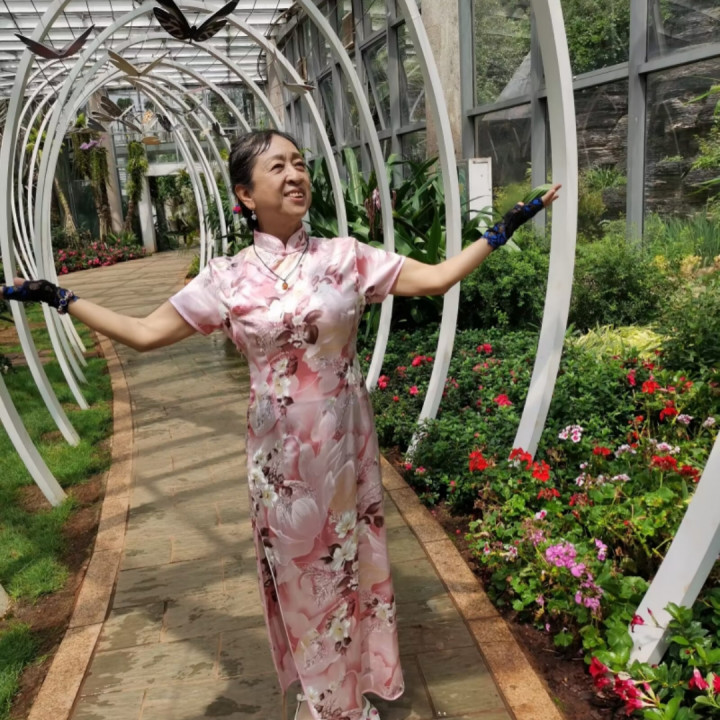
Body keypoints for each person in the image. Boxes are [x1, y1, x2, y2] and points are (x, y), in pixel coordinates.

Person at [1, 129, 560, 720]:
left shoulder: (345, 257)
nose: (295, 175)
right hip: (281, 463)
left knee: (353, 570)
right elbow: (143, 334)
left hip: (347, 450)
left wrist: (505, 226)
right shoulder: (226, 278)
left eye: (299, 163)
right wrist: (60, 298)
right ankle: (328, 705)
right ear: (245, 194)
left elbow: (438, 278)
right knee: (302, 580)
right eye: (278, 167)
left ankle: (351, 694)